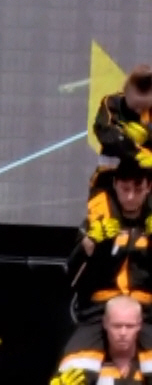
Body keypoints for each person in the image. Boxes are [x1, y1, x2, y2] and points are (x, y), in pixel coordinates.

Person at [63, 159, 152, 365]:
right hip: (99, 315)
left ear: (149, 187)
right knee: (71, 370)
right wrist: (89, 245)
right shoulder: (94, 224)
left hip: (147, 315)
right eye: (125, 189)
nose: (130, 197)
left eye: (138, 189)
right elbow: (71, 279)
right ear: (115, 185)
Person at [53, 295, 152, 385]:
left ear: (139, 325)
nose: (123, 333)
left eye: (130, 326)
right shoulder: (79, 362)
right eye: (117, 326)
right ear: (105, 323)